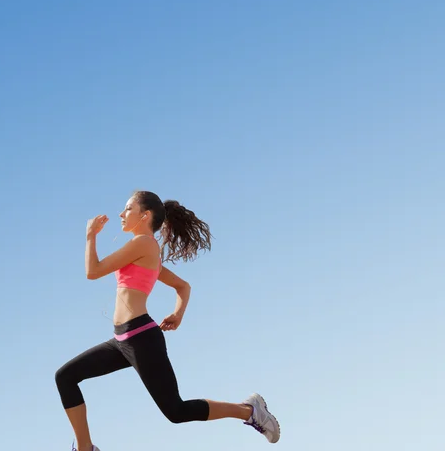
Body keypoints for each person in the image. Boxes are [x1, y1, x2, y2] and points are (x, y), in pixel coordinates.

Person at [55, 191, 280, 451]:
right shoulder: (145, 251)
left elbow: (92, 271)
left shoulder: (144, 244)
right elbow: (183, 286)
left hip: (141, 338)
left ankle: (249, 410)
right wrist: (177, 313)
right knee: (66, 376)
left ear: (145, 215)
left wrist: (90, 236)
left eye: (128, 208)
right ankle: (85, 448)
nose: (121, 214)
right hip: (122, 339)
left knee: (176, 411)